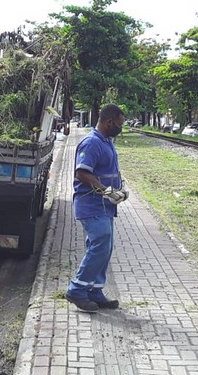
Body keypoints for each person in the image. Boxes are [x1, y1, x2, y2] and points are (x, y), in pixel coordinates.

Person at [65, 104, 129, 312]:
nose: (121, 128)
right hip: (92, 204)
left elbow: (106, 170)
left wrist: (120, 187)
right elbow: (82, 173)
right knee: (100, 245)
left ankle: (94, 291)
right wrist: (106, 190)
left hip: (104, 206)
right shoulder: (92, 143)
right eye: (119, 124)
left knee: (105, 247)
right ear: (109, 122)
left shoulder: (106, 142)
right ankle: (77, 289)